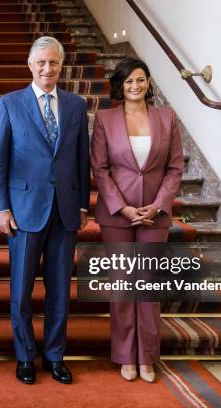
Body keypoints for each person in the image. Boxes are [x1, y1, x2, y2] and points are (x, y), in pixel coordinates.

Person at [0, 36, 90, 385]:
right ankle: (24, 356)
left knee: (60, 289)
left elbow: (81, 159)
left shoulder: (77, 105)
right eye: (41, 63)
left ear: (61, 66)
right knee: (21, 289)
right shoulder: (9, 103)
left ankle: (55, 356)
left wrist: (82, 204)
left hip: (65, 211)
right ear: (30, 65)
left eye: (54, 63)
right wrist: (0, 207)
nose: (48, 69)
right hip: (23, 209)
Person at [90, 57, 184, 383]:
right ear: (120, 85)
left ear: (148, 83)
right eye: (129, 81)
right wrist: (123, 207)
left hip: (154, 215)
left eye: (141, 80)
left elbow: (175, 169)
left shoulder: (167, 118)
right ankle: (124, 354)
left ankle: (147, 356)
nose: (135, 86)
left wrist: (158, 206)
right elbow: (99, 169)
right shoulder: (105, 119)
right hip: (118, 215)